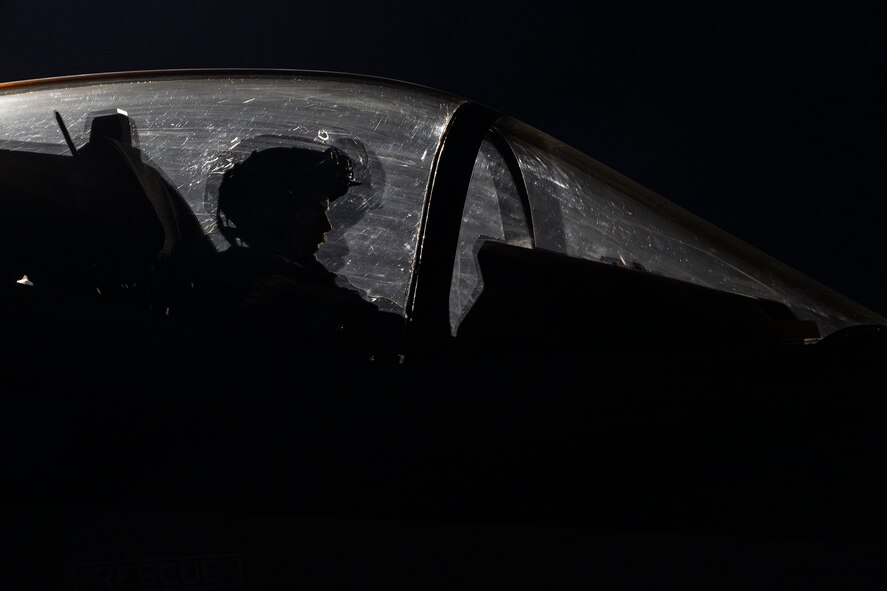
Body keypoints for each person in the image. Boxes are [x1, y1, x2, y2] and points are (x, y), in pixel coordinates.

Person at [185, 145, 403, 360]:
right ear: (279, 213)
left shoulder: (235, 274)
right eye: (316, 211)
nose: (327, 226)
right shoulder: (271, 290)